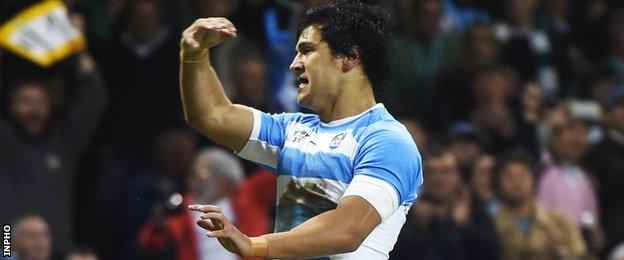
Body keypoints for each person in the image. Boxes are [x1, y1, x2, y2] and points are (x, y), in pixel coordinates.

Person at [178, 1, 423, 259]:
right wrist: (193, 56)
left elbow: (348, 230)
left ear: (351, 57)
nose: (294, 64)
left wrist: (256, 246)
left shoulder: (387, 141)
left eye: (307, 50)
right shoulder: (291, 131)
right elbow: (211, 115)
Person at [391, 147, 501, 260]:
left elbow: (492, 252)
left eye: (446, 171)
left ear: (458, 176)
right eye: (431, 172)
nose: (438, 179)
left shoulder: (475, 210)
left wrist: (465, 225)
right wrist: (418, 229)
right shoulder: (406, 213)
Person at [492, 150, 587, 259]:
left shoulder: (560, 221)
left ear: (533, 180)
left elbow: (581, 255)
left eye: (523, 175)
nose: (516, 181)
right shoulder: (490, 225)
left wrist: (559, 254)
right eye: (508, 176)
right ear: (498, 183)